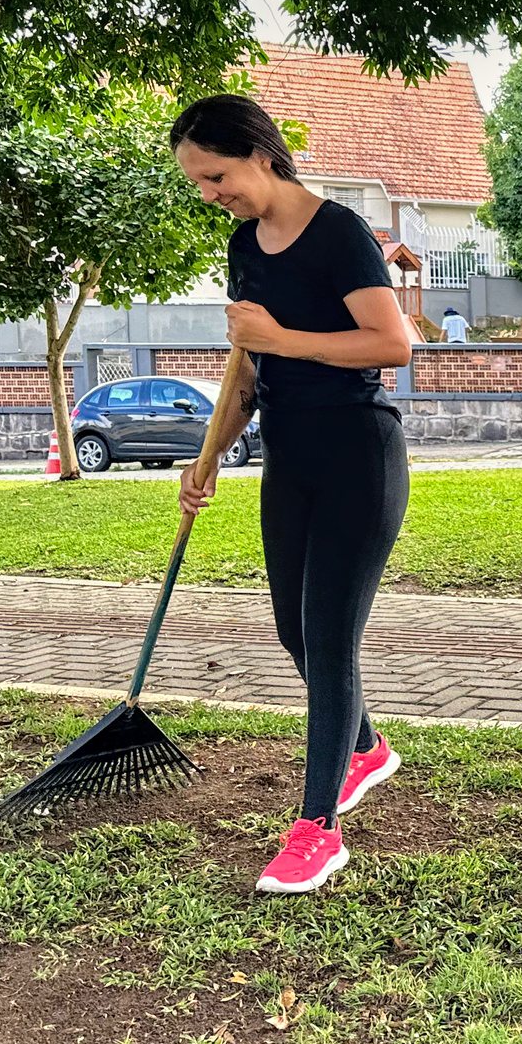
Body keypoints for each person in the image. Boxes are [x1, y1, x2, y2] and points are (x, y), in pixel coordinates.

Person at [169, 94, 414, 895]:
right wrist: (208, 454)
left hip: (357, 453)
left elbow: (392, 344)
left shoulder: (339, 233)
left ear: (259, 154)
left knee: (330, 634)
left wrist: (282, 339)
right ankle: (368, 748)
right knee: (291, 629)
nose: (210, 193)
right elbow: (247, 359)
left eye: (216, 176)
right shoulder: (245, 246)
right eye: (199, 184)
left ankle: (317, 829)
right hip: (288, 456)